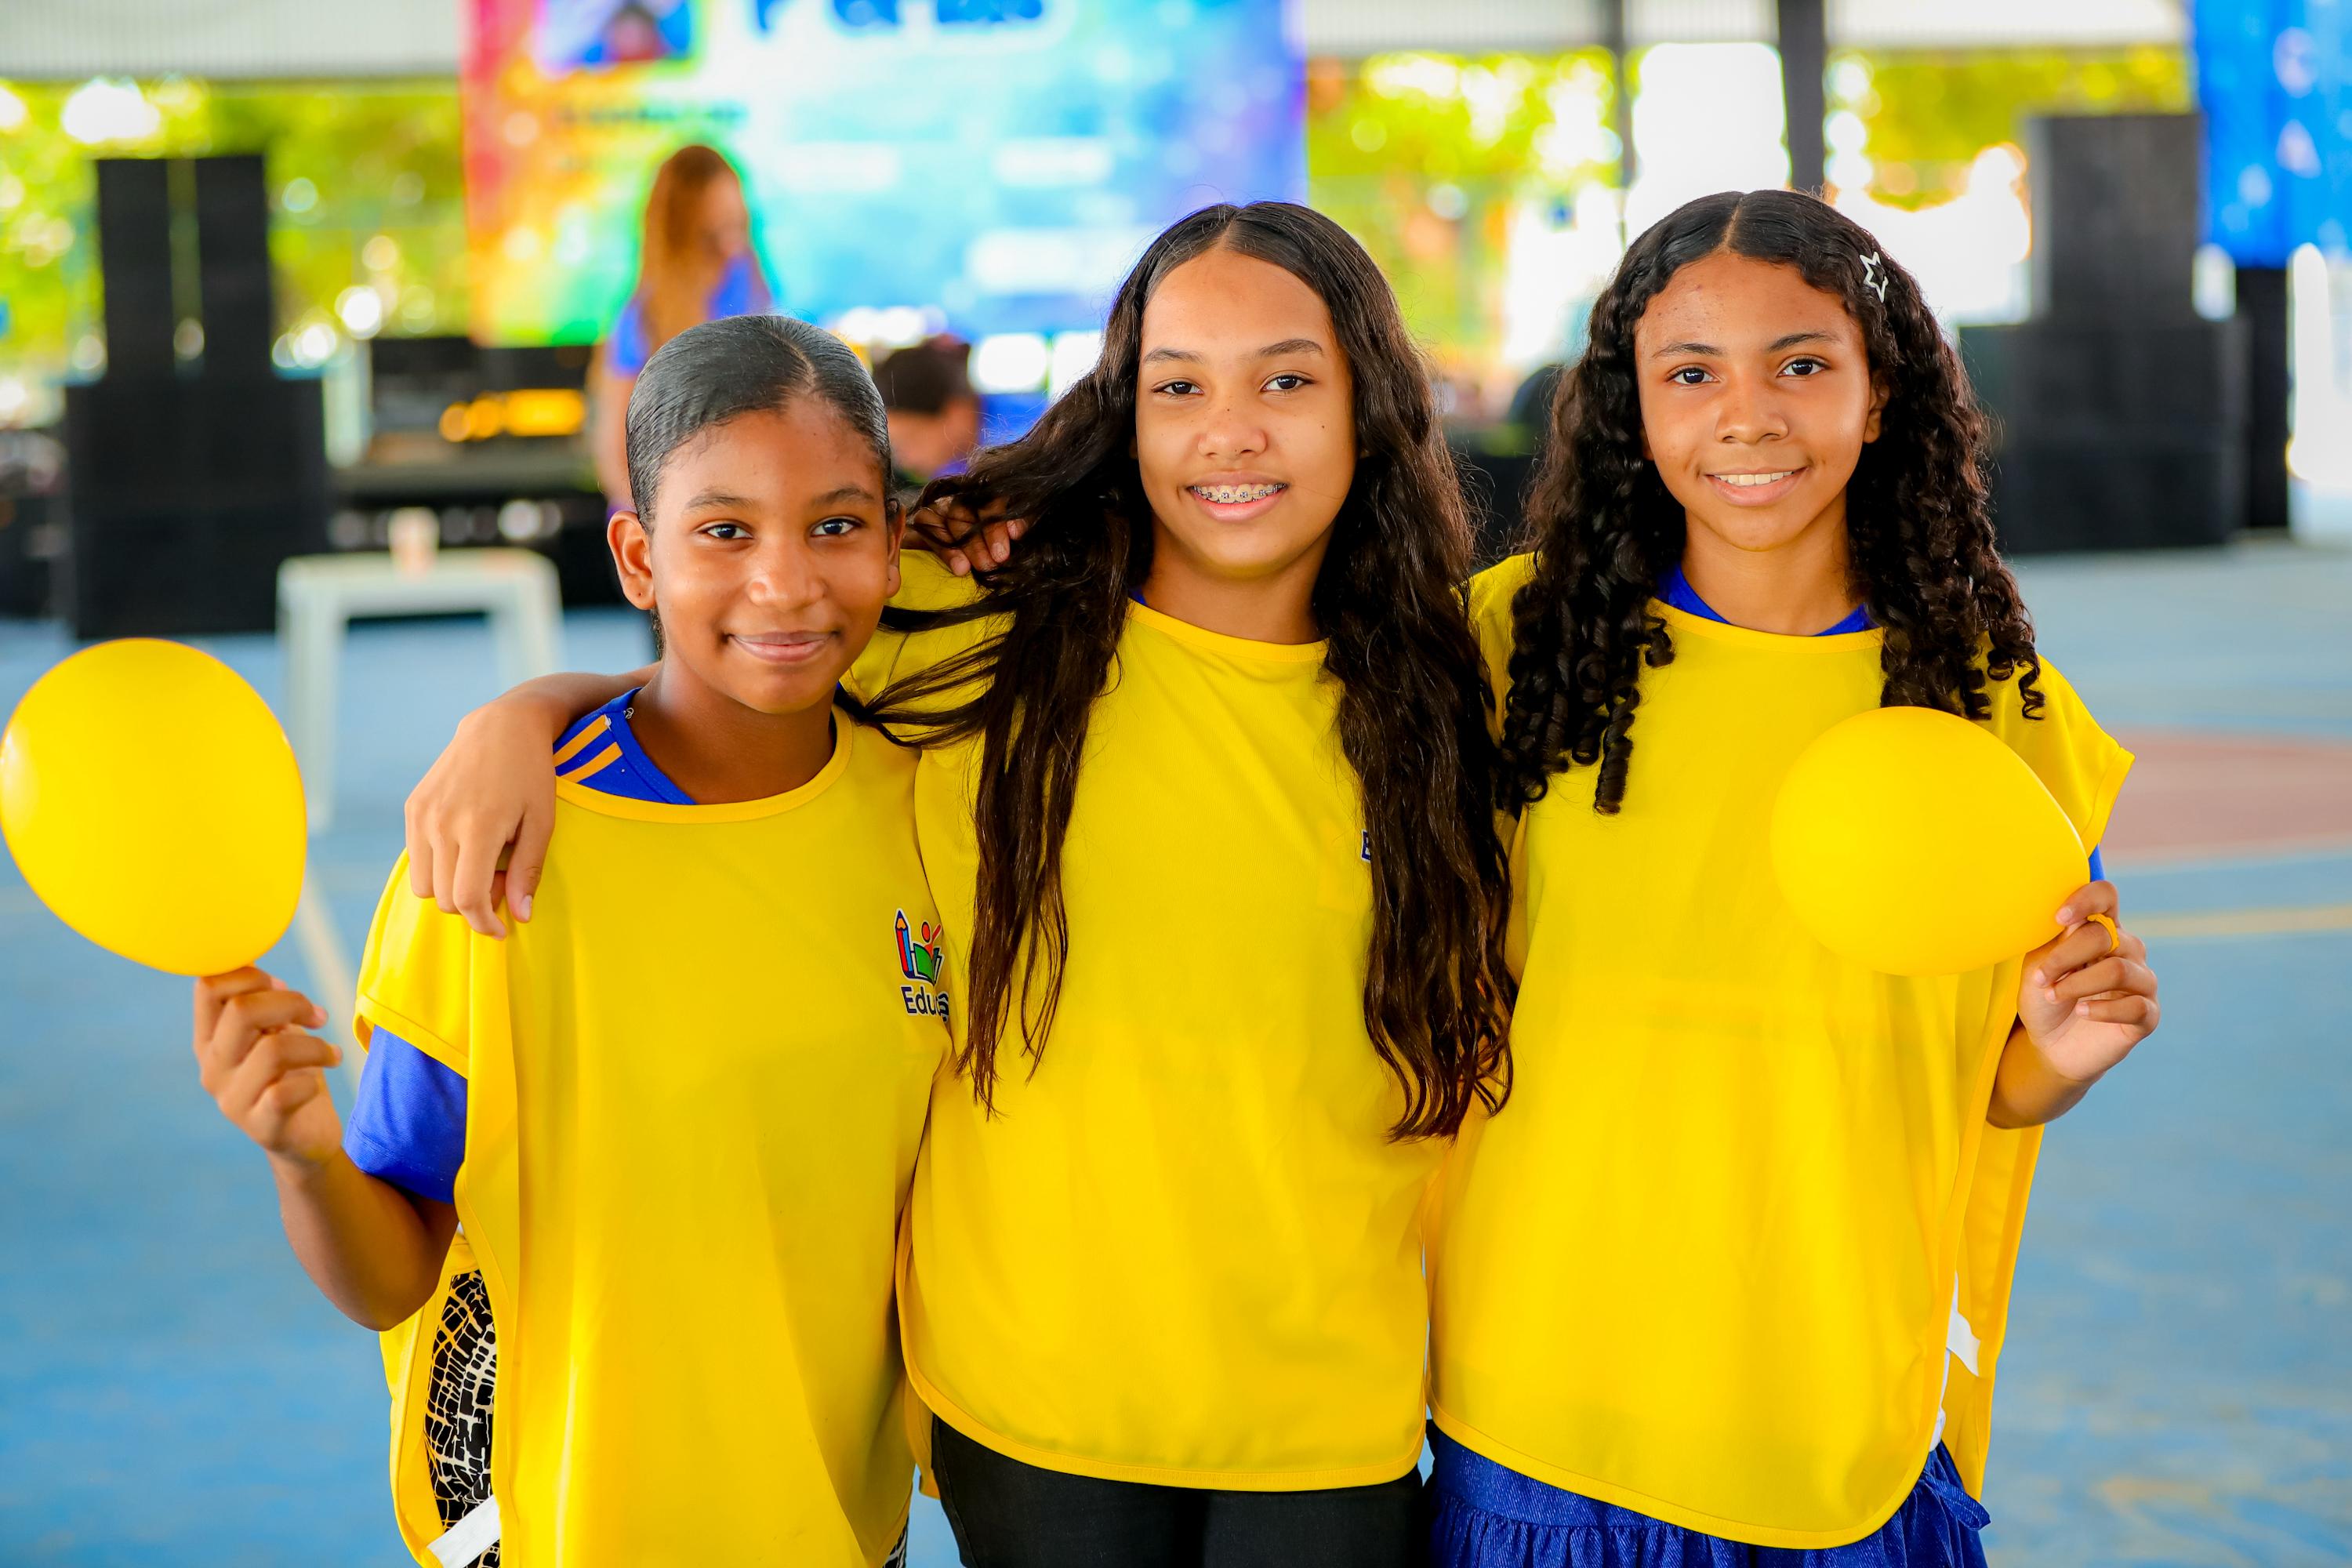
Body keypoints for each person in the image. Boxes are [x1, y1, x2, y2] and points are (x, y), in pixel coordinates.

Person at [397, 200, 1515, 1567]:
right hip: (1035, 1404)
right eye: (1179, 388)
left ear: (1370, 407)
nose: (1230, 432)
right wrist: (520, 716)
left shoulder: (1446, 688)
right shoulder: (977, 622)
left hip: (1332, 1407)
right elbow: (740, 651)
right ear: (1125, 410)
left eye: (1286, 382)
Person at [1425, 190, 2161, 1566]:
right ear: (1634, 410)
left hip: (1841, 1410)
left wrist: (2062, 1056)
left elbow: (1995, 1078)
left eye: (1802, 364)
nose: (1747, 416)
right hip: (1545, 1400)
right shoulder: (1509, 648)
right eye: (1691, 374)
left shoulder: (1997, 706)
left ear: (1881, 398)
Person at [193, 314, 938, 1567]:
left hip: (837, 1523)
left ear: (894, 542)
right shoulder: (494, 855)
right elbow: (394, 1274)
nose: (787, 582)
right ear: (638, 559)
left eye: (835, 525)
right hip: (559, 1525)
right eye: (724, 531)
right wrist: (305, 1156)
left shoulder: (932, 808)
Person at [587, 143, 775, 507]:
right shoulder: (642, 320)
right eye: (712, 236)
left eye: (737, 227)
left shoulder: (753, 292)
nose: (732, 248)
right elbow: (616, 459)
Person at [873, 336, 982, 498]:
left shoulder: (1017, 445)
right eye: (896, 447)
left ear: (957, 412)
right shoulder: (954, 466)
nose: (907, 460)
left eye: (911, 440)